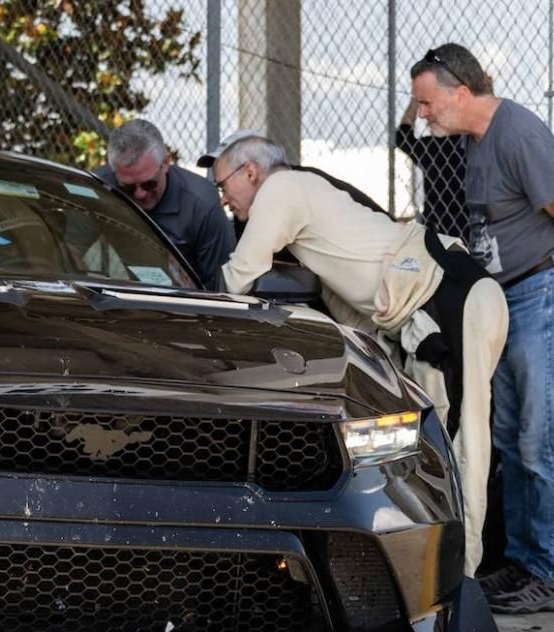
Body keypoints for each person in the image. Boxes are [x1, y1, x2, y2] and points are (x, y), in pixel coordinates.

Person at [212, 134, 507, 578]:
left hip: (446, 296)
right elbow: (356, 313)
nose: (224, 199)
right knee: (436, 445)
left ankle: (459, 582)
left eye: (223, 185)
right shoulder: (311, 206)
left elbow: (238, 277)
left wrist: (193, 308)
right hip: (437, 300)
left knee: (460, 445)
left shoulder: (281, 188)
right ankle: (440, 575)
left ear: (250, 172)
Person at [411, 43, 554, 612]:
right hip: (510, 298)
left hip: (545, 289)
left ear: (460, 92)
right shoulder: (477, 141)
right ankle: (524, 563)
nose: (422, 115)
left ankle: (551, 576)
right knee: (510, 435)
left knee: (542, 437)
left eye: (426, 102)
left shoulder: (518, 133)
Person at [96, 118, 235, 289]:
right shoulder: (99, 188)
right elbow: (73, 247)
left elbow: (219, 285)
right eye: (128, 187)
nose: (140, 194)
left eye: (149, 184)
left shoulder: (201, 204)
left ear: (166, 162)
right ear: (115, 172)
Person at [395, 98, 468, 239]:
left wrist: (415, 100)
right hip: (452, 226)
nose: (427, 119)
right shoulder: (432, 146)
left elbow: (402, 137)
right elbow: (402, 138)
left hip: (440, 227)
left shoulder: (432, 146)